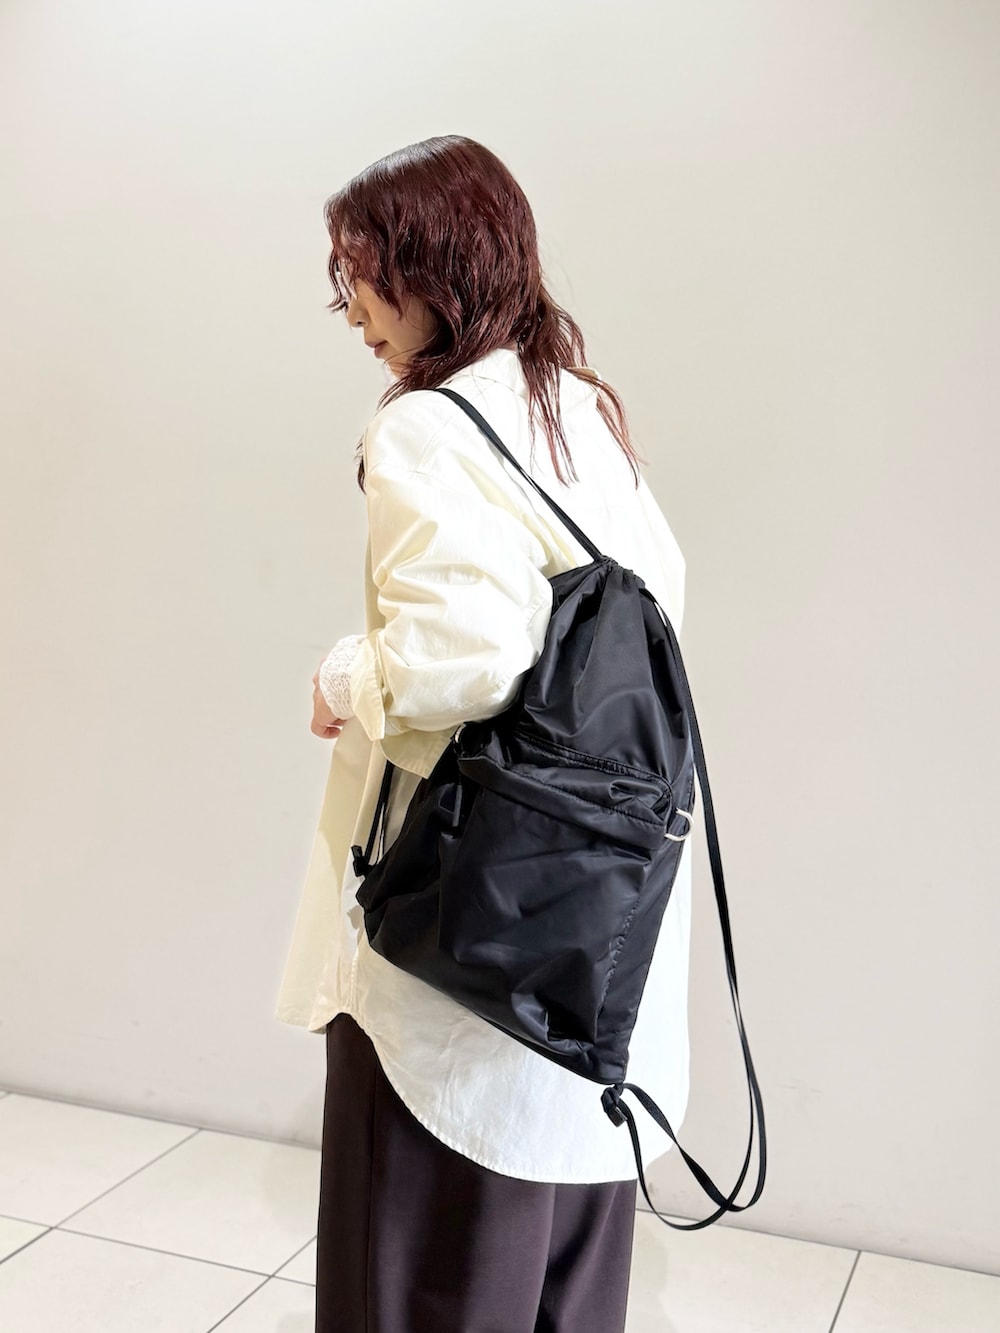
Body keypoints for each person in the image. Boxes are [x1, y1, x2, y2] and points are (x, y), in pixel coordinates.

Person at [276, 134, 693, 1333]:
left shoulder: (430, 425)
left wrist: (344, 674)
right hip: (595, 946)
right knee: (563, 1283)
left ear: (438, 264)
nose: (354, 311)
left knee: (417, 1278)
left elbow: (462, 653)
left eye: (366, 274)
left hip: (460, 944)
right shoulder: (575, 409)